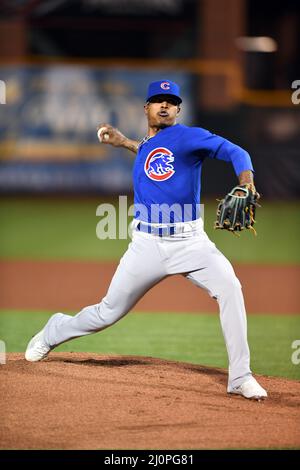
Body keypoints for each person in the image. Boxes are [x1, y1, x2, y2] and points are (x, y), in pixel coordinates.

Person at [25, 79, 267, 400]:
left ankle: (240, 376)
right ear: (147, 108)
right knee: (107, 313)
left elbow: (236, 151)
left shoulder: (190, 137)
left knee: (231, 289)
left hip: (190, 243)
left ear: (178, 109)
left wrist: (246, 182)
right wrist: (124, 141)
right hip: (146, 245)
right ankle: (55, 329)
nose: (164, 105)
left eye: (170, 101)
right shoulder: (149, 143)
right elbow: (151, 152)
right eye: (158, 100)